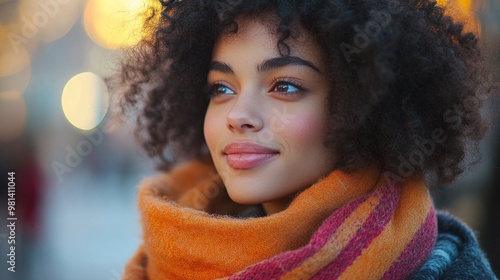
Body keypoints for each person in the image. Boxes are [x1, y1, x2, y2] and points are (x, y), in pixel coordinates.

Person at [110, 0, 498, 279]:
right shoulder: (163, 263)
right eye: (221, 89)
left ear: (361, 103)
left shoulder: (447, 269)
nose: (238, 115)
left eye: (285, 86)